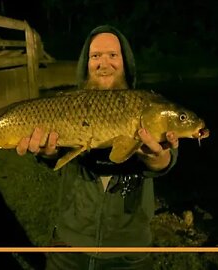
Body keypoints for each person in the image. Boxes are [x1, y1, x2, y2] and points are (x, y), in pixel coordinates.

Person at [16, 25, 179, 270]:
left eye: (113, 55)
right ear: (86, 64)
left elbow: (165, 159)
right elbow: (56, 156)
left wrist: (156, 158)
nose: (104, 63)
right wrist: (48, 155)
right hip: (68, 246)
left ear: (126, 62)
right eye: (95, 56)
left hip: (128, 253)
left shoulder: (148, 105)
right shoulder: (69, 104)